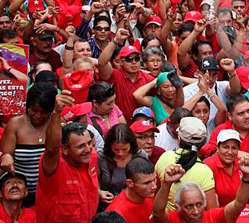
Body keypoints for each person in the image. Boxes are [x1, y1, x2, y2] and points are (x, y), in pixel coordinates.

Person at [35, 90, 100, 223]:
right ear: (64, 149)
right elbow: (52, 149)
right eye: (81, 146)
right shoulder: (54, 165)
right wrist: (56, 113)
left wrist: (98, 192)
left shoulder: (92, 156)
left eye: (89, 143)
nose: (88, 150)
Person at [152, 157, 249, 223]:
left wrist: (247, 177)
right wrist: (166, 184)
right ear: (178, 207)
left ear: (205, 203)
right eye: (189, 206)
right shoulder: (174, 219)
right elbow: (157, 213)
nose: (196, 211)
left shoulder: (214, 218)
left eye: (199, 204)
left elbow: (239, 204)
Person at [155, 116, 216, 211]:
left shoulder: (164, 157)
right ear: (203, 142)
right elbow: (212, 211)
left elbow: (156, 193)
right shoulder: (205, 171)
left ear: (179, 137)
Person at [106, 157, 159, 223]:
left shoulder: (148, 194)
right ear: (130, 183)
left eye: (154, 179)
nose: (154, 186)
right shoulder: (117, 214)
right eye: (146, 183)